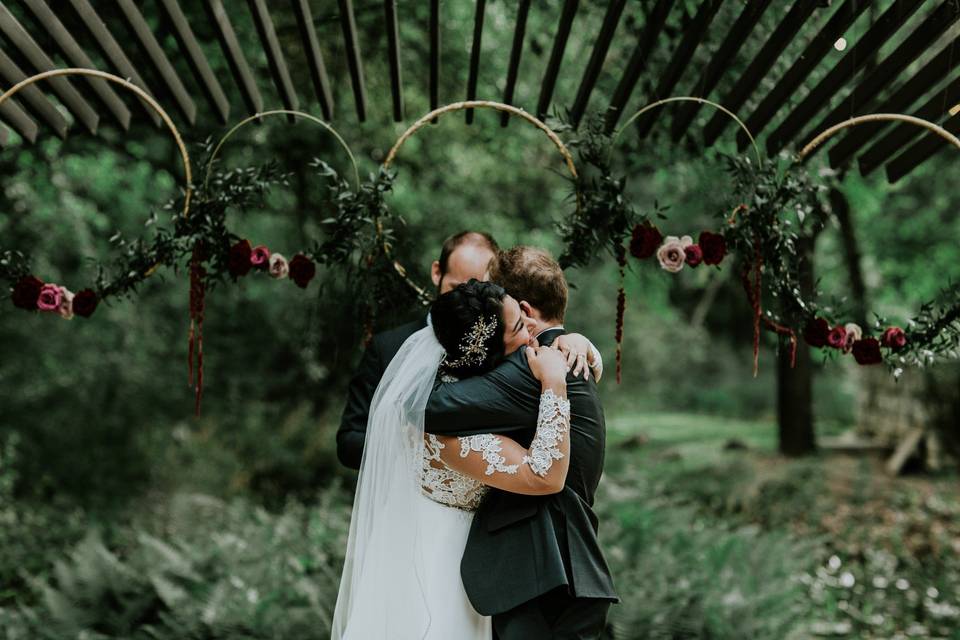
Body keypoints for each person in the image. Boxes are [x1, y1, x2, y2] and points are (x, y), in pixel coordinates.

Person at [332, 280, 574, 639]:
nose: (530, 331)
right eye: (520, 326)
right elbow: (545, 476)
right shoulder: (449, 434)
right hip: (439, 561)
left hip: (449, 546)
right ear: (488, 353)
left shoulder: (454, 390)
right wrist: (555, 384)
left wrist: (574, 341)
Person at [424, 246, 618, 639]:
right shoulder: (564, 355)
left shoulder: (530, 369)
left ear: (525, 309)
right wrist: (586, 344)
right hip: (564, 568)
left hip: (542, 572)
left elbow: (427, 408)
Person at [336, 230, 500, 470]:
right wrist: (406, 442)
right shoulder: (387, 347)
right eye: (456, 288)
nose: (463, 302)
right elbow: (348, 443)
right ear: (437, 272)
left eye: (475, 292)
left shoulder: (500, 350)